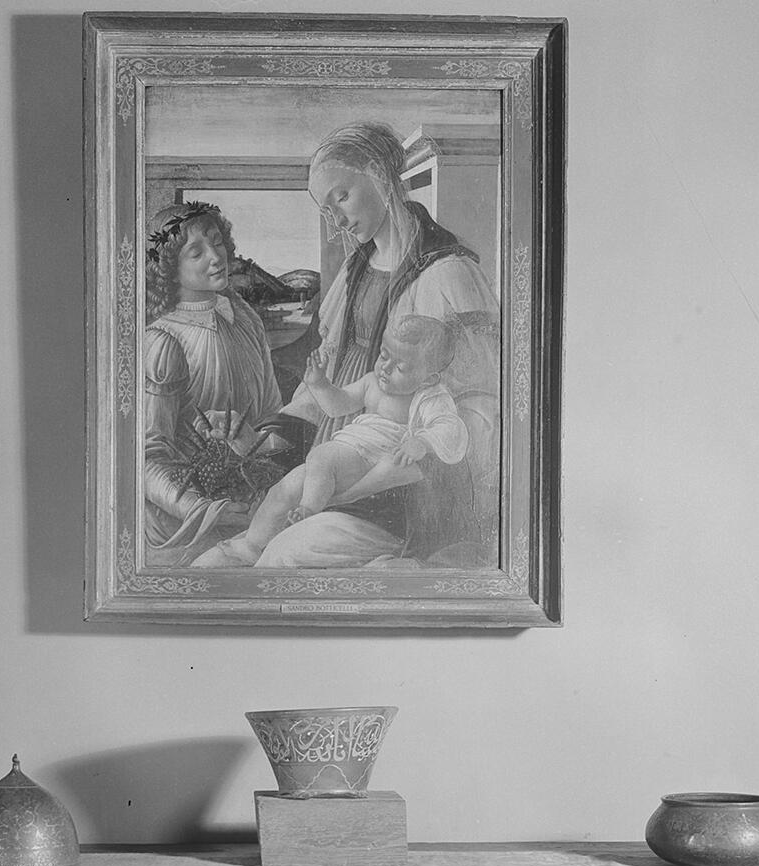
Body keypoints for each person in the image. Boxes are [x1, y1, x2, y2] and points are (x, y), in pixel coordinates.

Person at [258, 119, 501, 569]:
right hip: (341, 443)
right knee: (266, 529)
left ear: (378, 174)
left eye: (341, 197)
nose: (336, 222)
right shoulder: (355, 271)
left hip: (400, 476)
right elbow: (325, 364)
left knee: (287, 556)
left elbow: (485, 398)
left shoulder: (449, 274)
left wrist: (420, 453)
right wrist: (278, 432)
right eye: (326, 209)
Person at [199, 313, 467, 566]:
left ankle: (308, 510)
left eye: (400, 367)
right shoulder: (372, 382)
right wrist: (319, 385)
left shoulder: (430, 397)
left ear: (429, 378)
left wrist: (421, 441)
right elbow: (338, 406)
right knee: (284, 489)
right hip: (344, 454)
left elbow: (449, 427)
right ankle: (252, 545)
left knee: (320, 458)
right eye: (384, 356)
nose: (385, 368)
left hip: (368, 461)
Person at [140, 202, 292, 565]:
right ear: (170, 270)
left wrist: (267, 474)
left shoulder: (244, 317)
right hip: (188, 522)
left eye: (217, 242)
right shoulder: (163, 341)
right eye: (197, 252)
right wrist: (208, 510)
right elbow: (147, 457)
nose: (215, 256)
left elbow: (273, 414)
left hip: (254, 498)